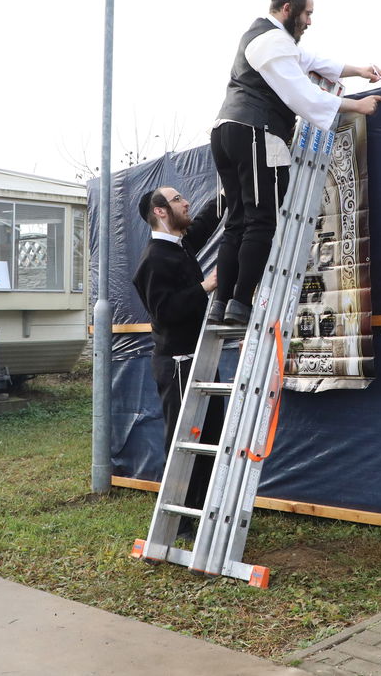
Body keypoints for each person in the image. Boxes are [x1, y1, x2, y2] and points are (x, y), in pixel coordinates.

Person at [209, 0, 381, 326]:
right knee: (262, 220)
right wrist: (356, 105)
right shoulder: (272, 42)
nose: (309, 21)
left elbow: (309, 59)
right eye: (306, 13)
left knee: (238, 221)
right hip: (256, 133)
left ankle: (222, 304)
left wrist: (356, 69)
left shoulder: (265, 37)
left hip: (228, 132)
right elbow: (301, 95)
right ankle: (240, 304)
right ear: (287, 9)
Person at [130, 185, 222, 519]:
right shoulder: (153, 259)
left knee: (210, 435)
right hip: (178, 364)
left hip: (200, 357)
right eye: (178, 199)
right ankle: (180, 520)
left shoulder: (179, 248)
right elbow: (164, 311)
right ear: (160, 211)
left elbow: (202, 224)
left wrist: (229, 186)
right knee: (186, 440)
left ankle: (202, 513)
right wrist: (204, 287)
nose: (186, 202)